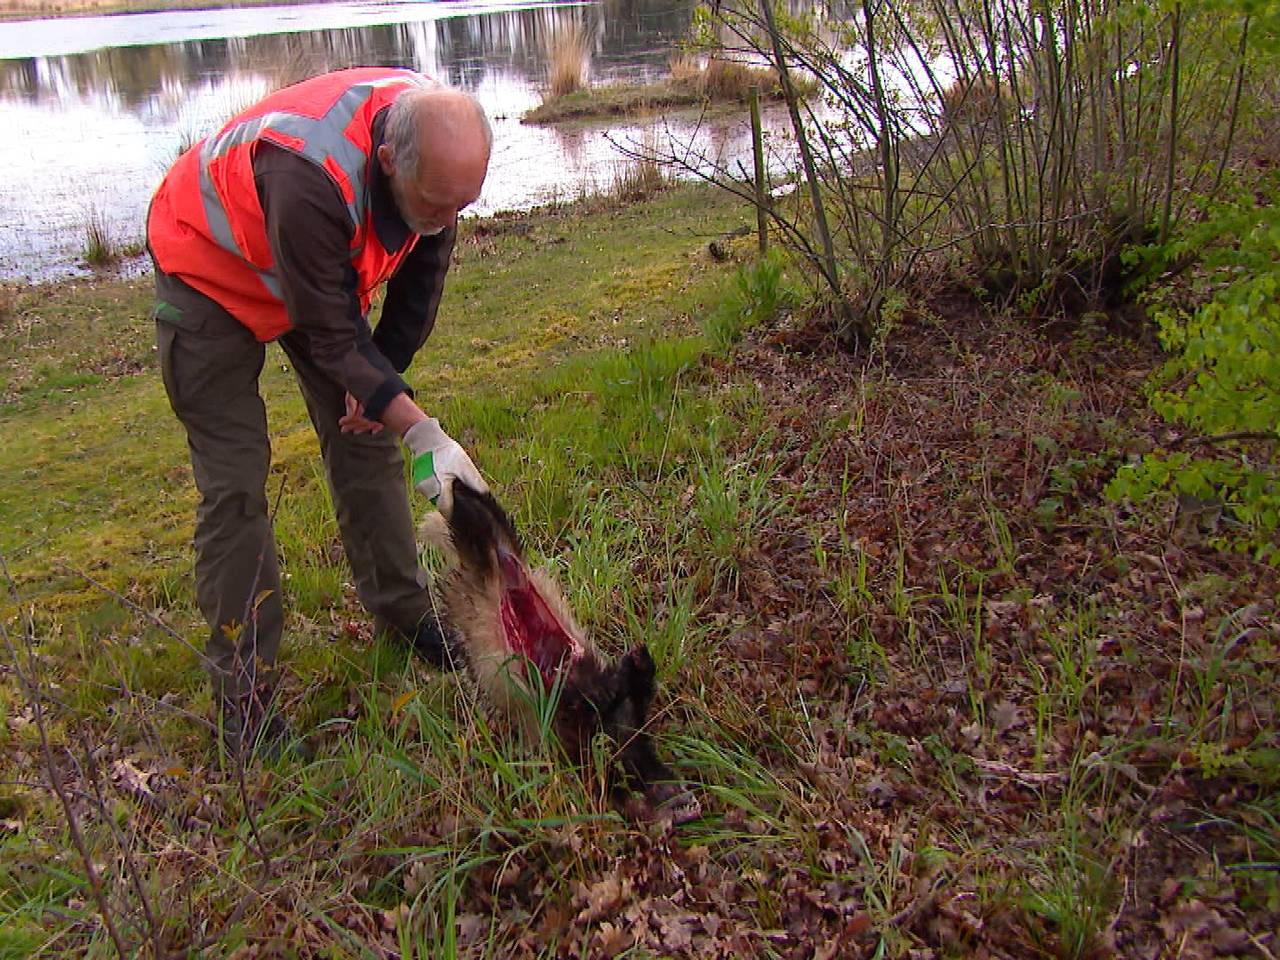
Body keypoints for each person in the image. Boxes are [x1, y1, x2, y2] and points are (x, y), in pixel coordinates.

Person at [146, 67, 490, 757]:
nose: (449, 221)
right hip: (209, 272)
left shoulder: (440, 155)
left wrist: (382, 385)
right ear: (389, 162)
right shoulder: (311, 177)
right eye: (438, 205)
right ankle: (244, 698)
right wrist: (422, 428)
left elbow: (417, 289)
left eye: (464, 206)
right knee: (236, 485)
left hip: (314, 273)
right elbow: (331, 331)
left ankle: (405, 615)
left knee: (364, 436)